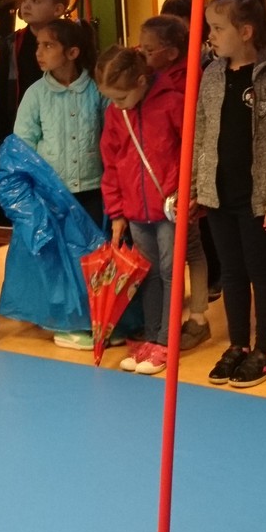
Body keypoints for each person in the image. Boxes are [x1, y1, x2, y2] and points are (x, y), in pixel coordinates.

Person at [193, 0, 266, 388]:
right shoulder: (212, 74)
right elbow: (202, 134)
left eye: (218, 28)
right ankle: (238, 344)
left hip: (258, 200)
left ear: (247, 31)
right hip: (219, 194)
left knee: (263, 273)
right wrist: (196, 188)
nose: (211, 36)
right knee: (232, 273)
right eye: (209, 27)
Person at [13, 18, 108, 350]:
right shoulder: (35, 94)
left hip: (94, 190)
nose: (38, 52)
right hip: (53, 194)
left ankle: (99, 317)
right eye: (38, 45)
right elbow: (22, 146)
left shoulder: (96, 89)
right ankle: (69, 322)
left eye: (48, 45)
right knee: (61, 261)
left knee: (93, 258)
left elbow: (112, 136)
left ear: (72, 52)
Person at [97, 45, 185, 377]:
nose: (117, 104)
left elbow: (188, 149)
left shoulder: (171, 103)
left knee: (170, 272)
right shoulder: (115, 114)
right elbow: (111, 164)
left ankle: (166, 340)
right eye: (111, 98)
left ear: (141, 81)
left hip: (169, 208)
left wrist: (183, 192)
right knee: (147, 274)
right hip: (135, 211)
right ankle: (151, 336)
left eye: (121, 97)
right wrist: (117, 212)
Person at [138, 12, 212, 348]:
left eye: (149, 49)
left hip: (180, 181)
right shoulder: (149, 77)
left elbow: (192, 136)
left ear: (170, 52)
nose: (142, 54)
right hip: (156, 180)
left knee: (191, 248)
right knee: (168, 256)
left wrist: (189, 185)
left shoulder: (188, 80)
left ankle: (198, 317)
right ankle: (167, 317)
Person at [0, 0, 67, 140]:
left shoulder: (72, 41)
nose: (25, 6)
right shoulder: (12, 45)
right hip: (22, 134)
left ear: (58, 9)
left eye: (35, 1)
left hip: (62, 131)